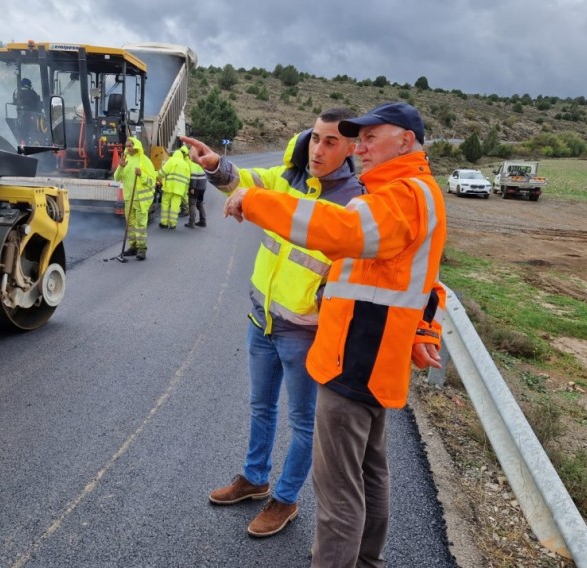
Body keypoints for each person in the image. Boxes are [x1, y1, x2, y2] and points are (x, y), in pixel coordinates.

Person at [223, 102, 447, 567]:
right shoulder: (402, 191)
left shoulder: (402, 194)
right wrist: (424, 329)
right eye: (357, 138)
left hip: (356, 355)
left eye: (370, 137)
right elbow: (426, 281)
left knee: (338, 493)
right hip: (370, 355)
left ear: (405, 140)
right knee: (368, 475)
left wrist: (256, 202)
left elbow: (341, 230)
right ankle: (366, 561)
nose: (359, 147)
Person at [182, 108, 363, 538]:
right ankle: (254, 478)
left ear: (352, 147)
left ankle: (285, 498)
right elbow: (246, 182)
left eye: (331, 142)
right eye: (315, 138)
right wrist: (215, 164)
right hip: (261, 317)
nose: (318, 149)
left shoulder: (354, 200)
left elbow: (351, 267)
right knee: (261, 407)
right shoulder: (291, 178)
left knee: (303, 422)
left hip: (304, 330)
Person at [113, 137, 156, 260]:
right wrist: (120, 167)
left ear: (136, 146)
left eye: (130, 146)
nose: (128, 148)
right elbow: (116, 178)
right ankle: (133, 247)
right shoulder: (124, 159)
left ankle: (142, 249)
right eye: (126, 146)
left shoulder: (144, 161)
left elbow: (151, 181)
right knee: (130, 225)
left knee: (140, 225)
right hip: (128, 198)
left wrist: (141, 174)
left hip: (141, 199)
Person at [156, 145, 191, 229]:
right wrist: (185, 192)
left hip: (169, 188)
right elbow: (187, 180)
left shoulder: (171, 161)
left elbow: (162, 173)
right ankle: (173, 224)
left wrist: (156, 175)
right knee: (175, 206)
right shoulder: (186, 165)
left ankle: (164, 223)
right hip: (179, 190)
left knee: (165, 204)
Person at [185, 161, 208, 228]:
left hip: (196, 188)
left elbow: (194, 176)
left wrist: (192, 187)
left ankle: (191, 223)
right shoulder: (199, 165)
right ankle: (203, 221)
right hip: (202, 188)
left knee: (192, 204)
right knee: (199, 203)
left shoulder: (193, 165)